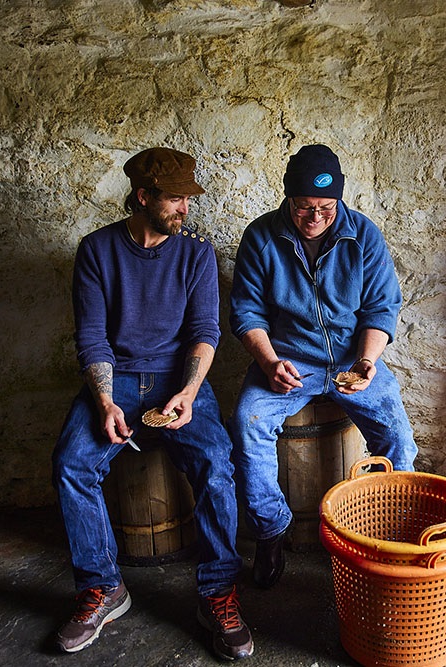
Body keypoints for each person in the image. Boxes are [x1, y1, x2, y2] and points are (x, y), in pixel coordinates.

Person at [51, 147, 252, 660]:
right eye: (175, 199)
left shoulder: (196, 253)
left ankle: (217, 593)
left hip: (178, 379)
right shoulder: (97, 250)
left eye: (188, 199)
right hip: (115, 379)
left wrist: (188, 392)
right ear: (143, 197)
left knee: (216, 461)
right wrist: (103, 401)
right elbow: (92, 338)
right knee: (72, 464)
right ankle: (103, 587)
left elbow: (205, 331)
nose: (185, 209)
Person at [228, 144, 418, 588]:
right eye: (304, 207)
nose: (314, 217)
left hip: (353, 358)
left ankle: (393, 530)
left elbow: (382, 307)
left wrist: (367, 360)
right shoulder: (261, 237)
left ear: (339, 200)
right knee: (247, 423)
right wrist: (269, 362)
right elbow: (246, 312)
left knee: (398, 436)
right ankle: (271, 532)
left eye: (326, 208)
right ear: (288, 197)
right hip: (288, 359)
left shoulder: (362, 235)